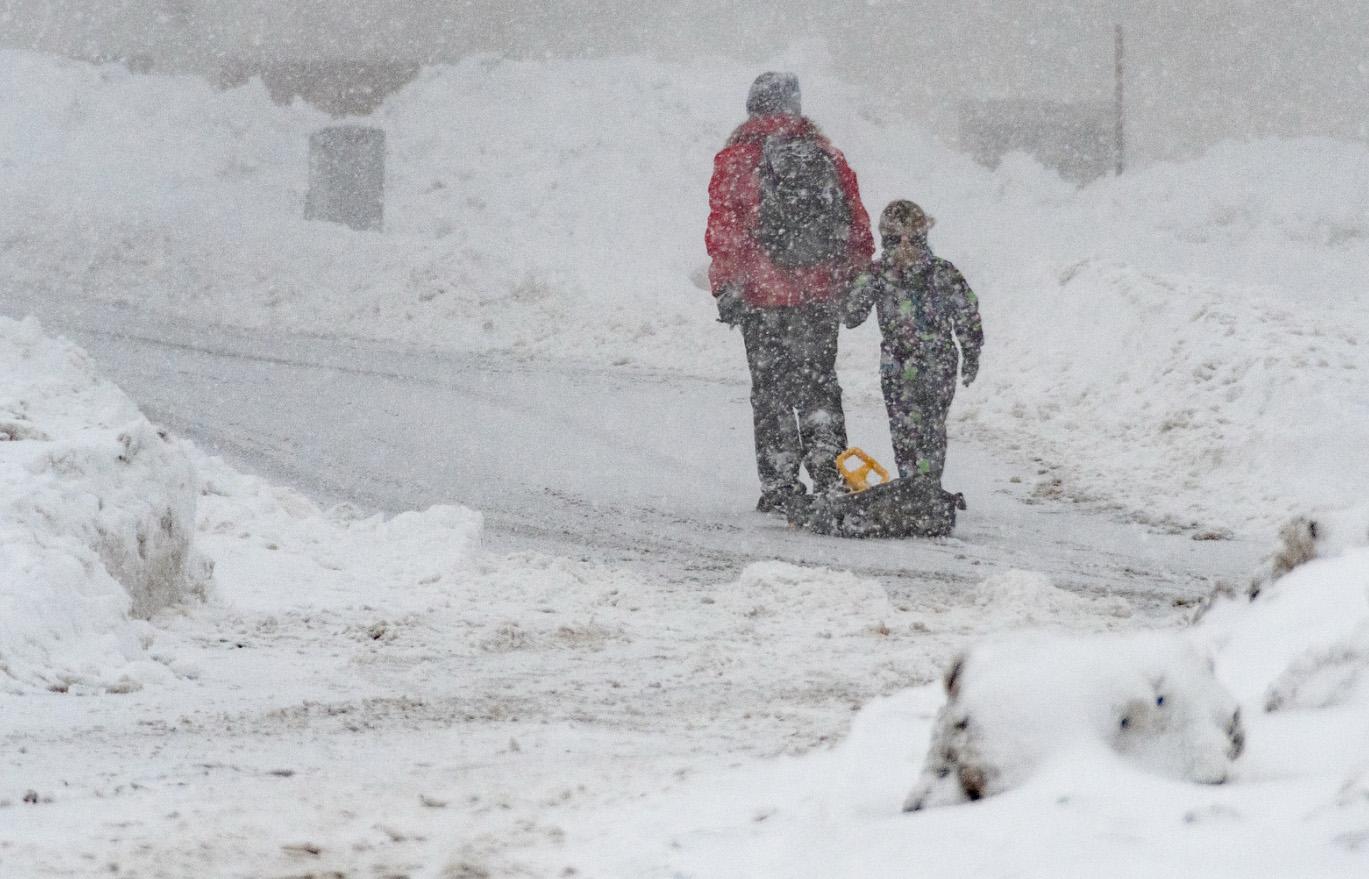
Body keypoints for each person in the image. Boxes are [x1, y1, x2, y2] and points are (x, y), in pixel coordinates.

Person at [705, 72, 874, 512]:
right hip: (818, 295)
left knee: (771, 390)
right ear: (796, 108)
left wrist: (727, 284)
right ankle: (829, 471)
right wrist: (854, 278)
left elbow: (726, 232)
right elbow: (856, 225)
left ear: (751, 108)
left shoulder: (735, 160)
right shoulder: (828, 156)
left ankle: (781, 483)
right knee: (819, 386)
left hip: (762, 297)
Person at [843, 200, 983, 486]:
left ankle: (920, 484)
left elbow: (851, 314)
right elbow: (968, 314)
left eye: (912, 239)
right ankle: (920, 484)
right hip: (928, 360)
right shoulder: (940, 272)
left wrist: (972, 352)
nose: (905, 246)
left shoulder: (882, 273)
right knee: (921, 426)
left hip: (908, 361)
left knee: (916, 425)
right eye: (897, 239)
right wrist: (970, 351)